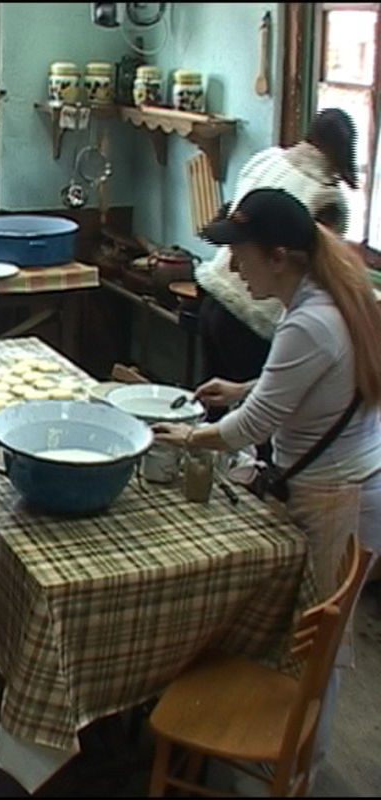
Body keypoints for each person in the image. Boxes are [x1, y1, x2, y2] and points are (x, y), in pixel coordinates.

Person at [153, 188, 381, 788]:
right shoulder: (327, 297)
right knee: (308, 631)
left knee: (316, 641)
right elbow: (302, 380)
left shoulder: (310, 320)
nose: (232, 268)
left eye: (242, 255)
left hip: (339, 494)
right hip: (344, 481)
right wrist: (242, 386)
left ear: (279, 256)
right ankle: (288, 755)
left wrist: (187, 437)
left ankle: (300, 765)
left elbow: (249, 432)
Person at [195, 108, 359, 392]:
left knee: (213, 401)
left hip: (212, 297)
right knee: (253, 414)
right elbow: (320, 265)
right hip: (252, 318)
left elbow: (235, 219)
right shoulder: (327, 197)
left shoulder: (268, 159)